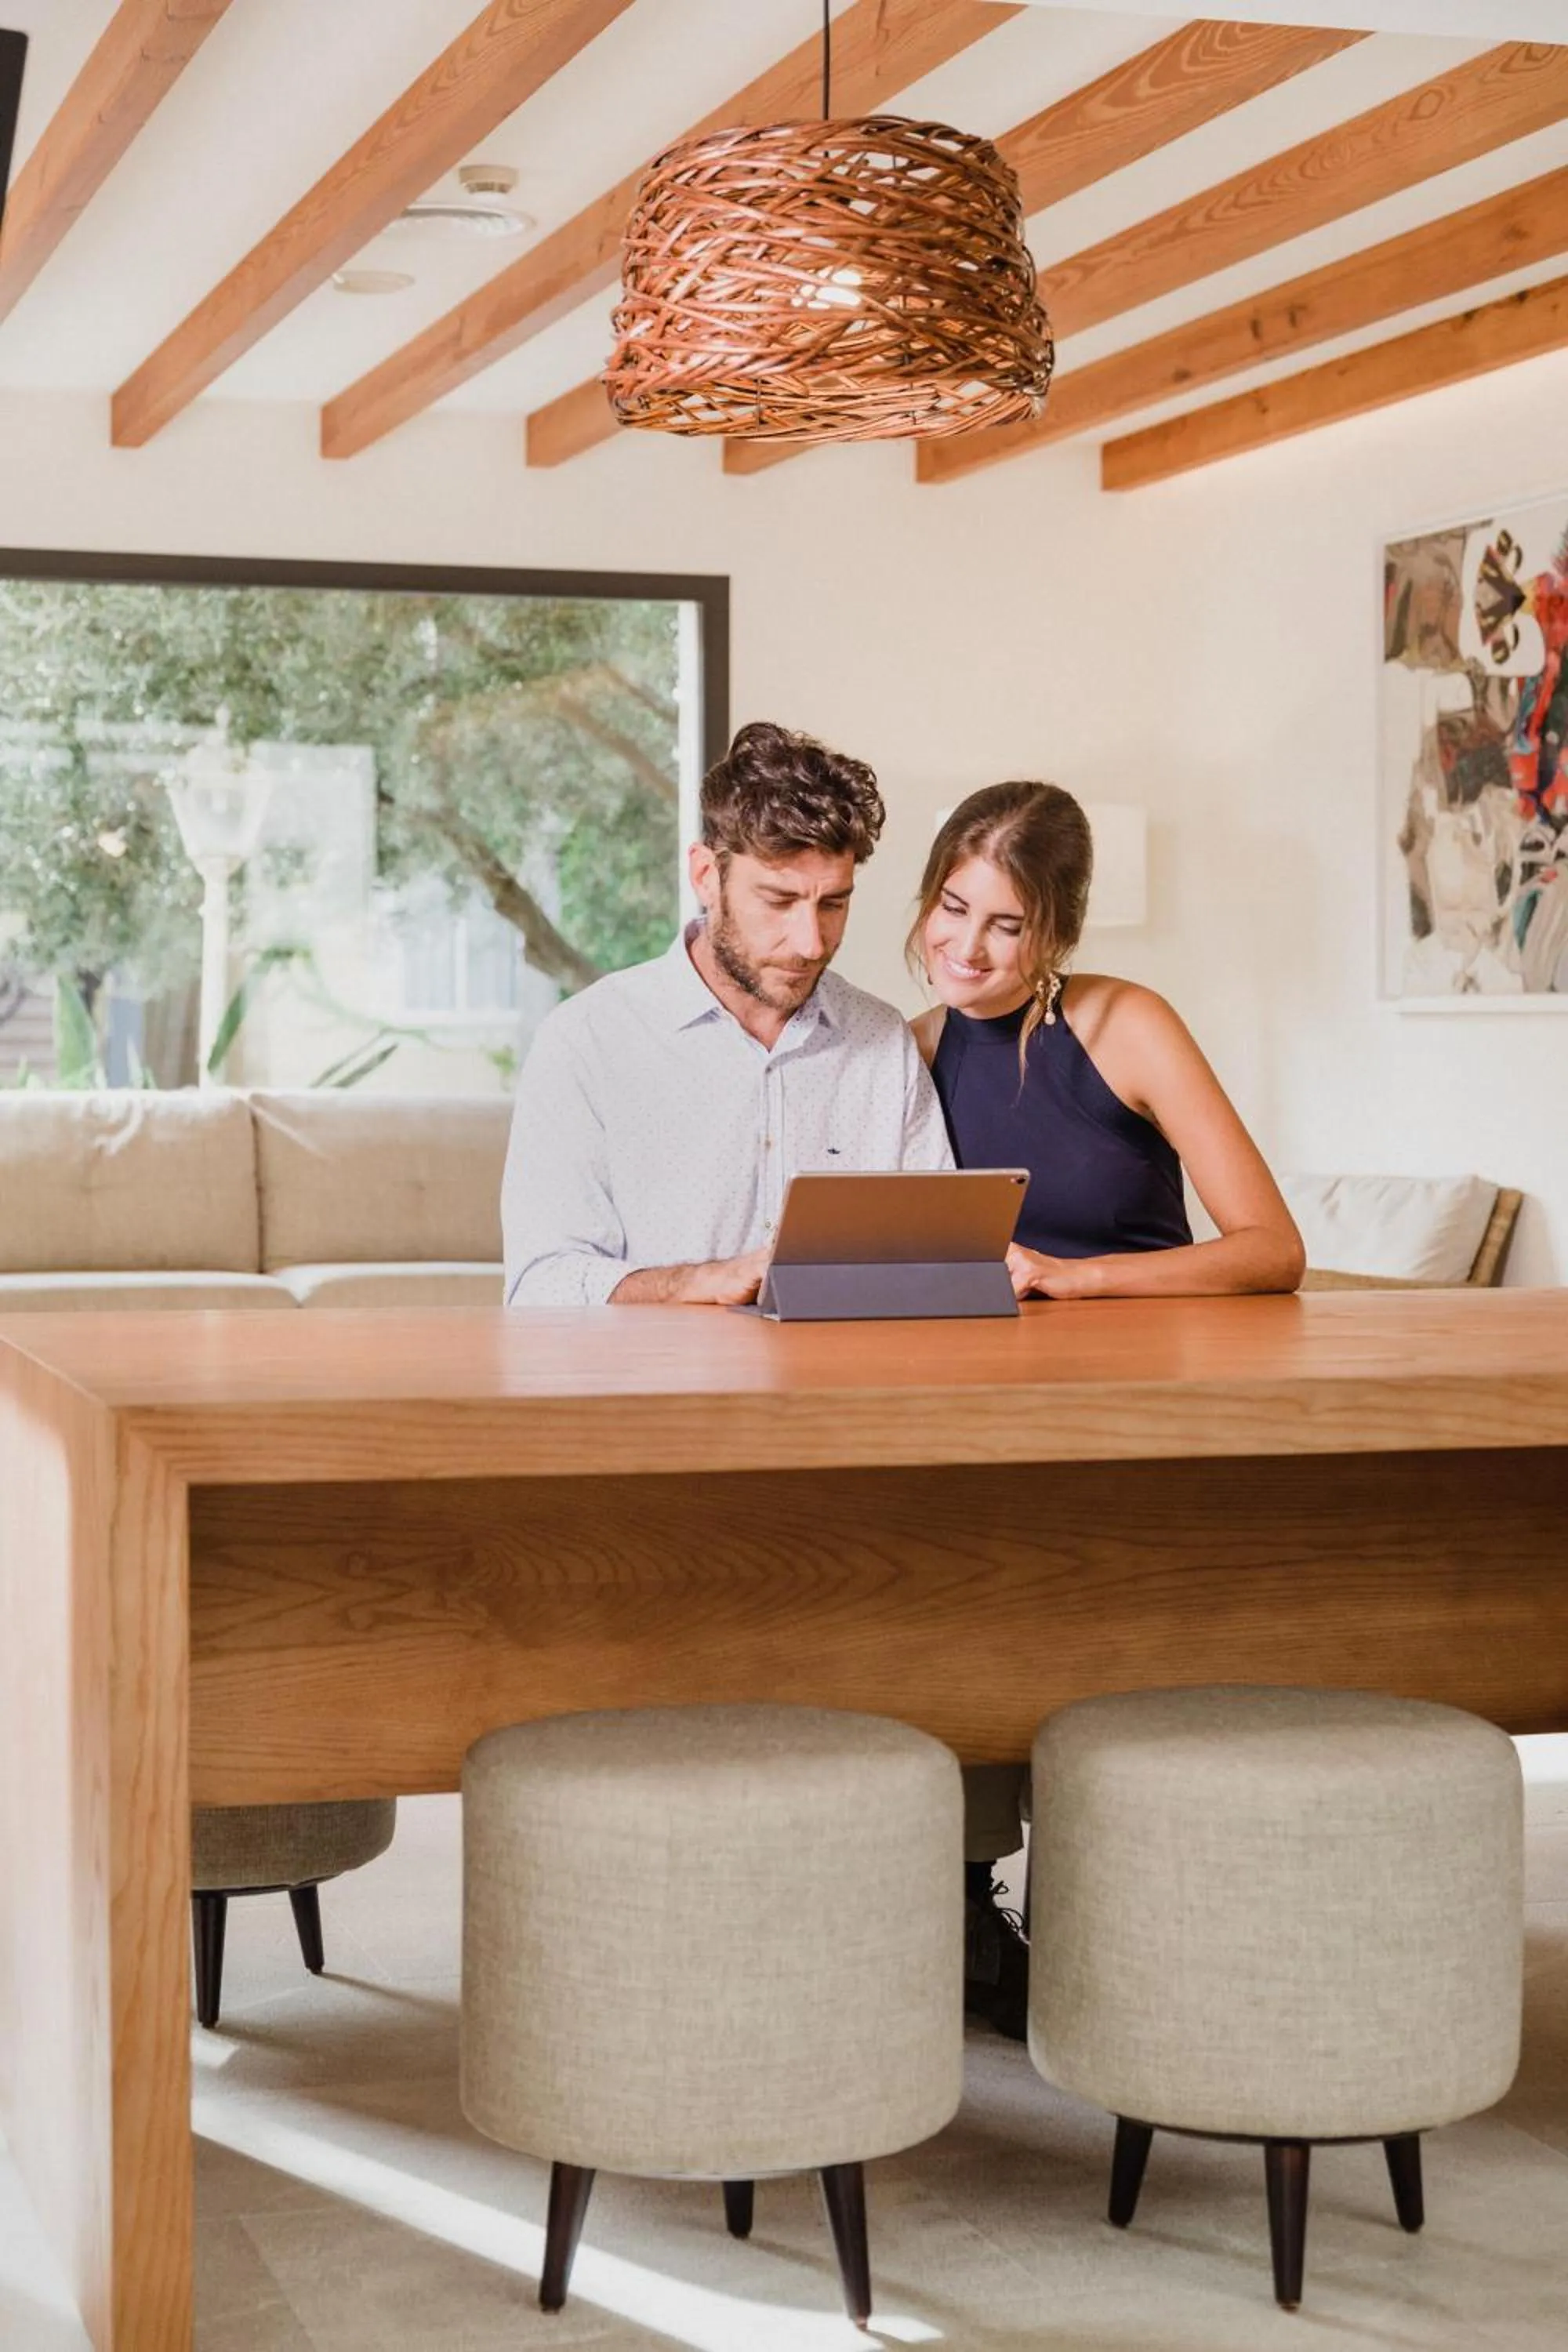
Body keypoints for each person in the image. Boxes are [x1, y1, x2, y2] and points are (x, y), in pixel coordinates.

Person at [910, 779, 1306, 2038]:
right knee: (942, 1627)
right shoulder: (911, 1049)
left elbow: (1269, 1247)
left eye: (1005, 927)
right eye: (950, 908)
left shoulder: (1127, 1024)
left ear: (1058, 936)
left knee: (1110, 1671)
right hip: (988, 1424)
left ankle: (1128, 1917)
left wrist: (1074, 1279)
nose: (966, 948)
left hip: (1154, 1417)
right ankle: (974, 1912)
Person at [503, 719, 951, 1309]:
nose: (811, 942)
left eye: (833, 904)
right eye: (779, 900)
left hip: (841, 1391)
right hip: (660, 1391)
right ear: (706, 877)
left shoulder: (880, 1041)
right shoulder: (587, 1041)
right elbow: (540, 1282)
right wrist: (695, 1283)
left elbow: (941, 1258)